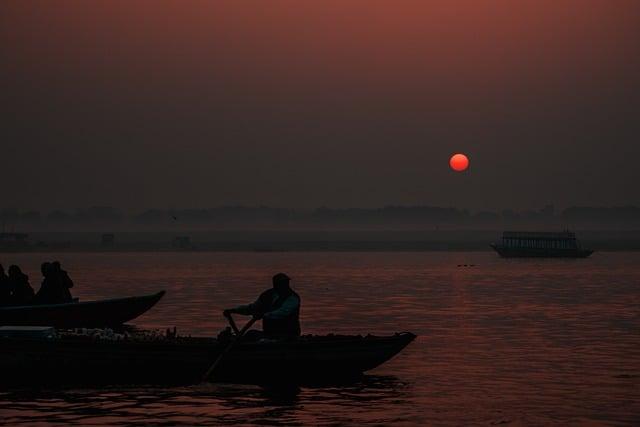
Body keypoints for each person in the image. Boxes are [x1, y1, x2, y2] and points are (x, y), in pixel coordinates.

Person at [223, 273, 301, 340]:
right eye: (282, 283)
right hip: (269, 333)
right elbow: (252, 308)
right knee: (250, 334)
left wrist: (264, 315)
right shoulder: (267, 295)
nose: (286, 285)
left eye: (286, 283)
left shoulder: (292, 298)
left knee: (252, 335)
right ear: (275, 284)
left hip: (288, 334)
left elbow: (283, 312)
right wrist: (234, 310)